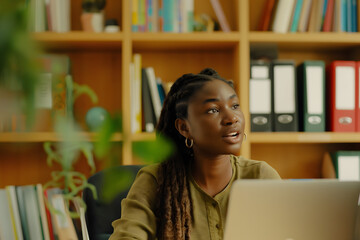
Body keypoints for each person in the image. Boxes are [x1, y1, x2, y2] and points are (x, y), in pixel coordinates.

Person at [109, 68, 281, 240]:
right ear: (185, 128)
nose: (232, 118)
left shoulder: (261, 177)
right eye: (213, 110)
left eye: (235, 106)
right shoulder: (156, 180)